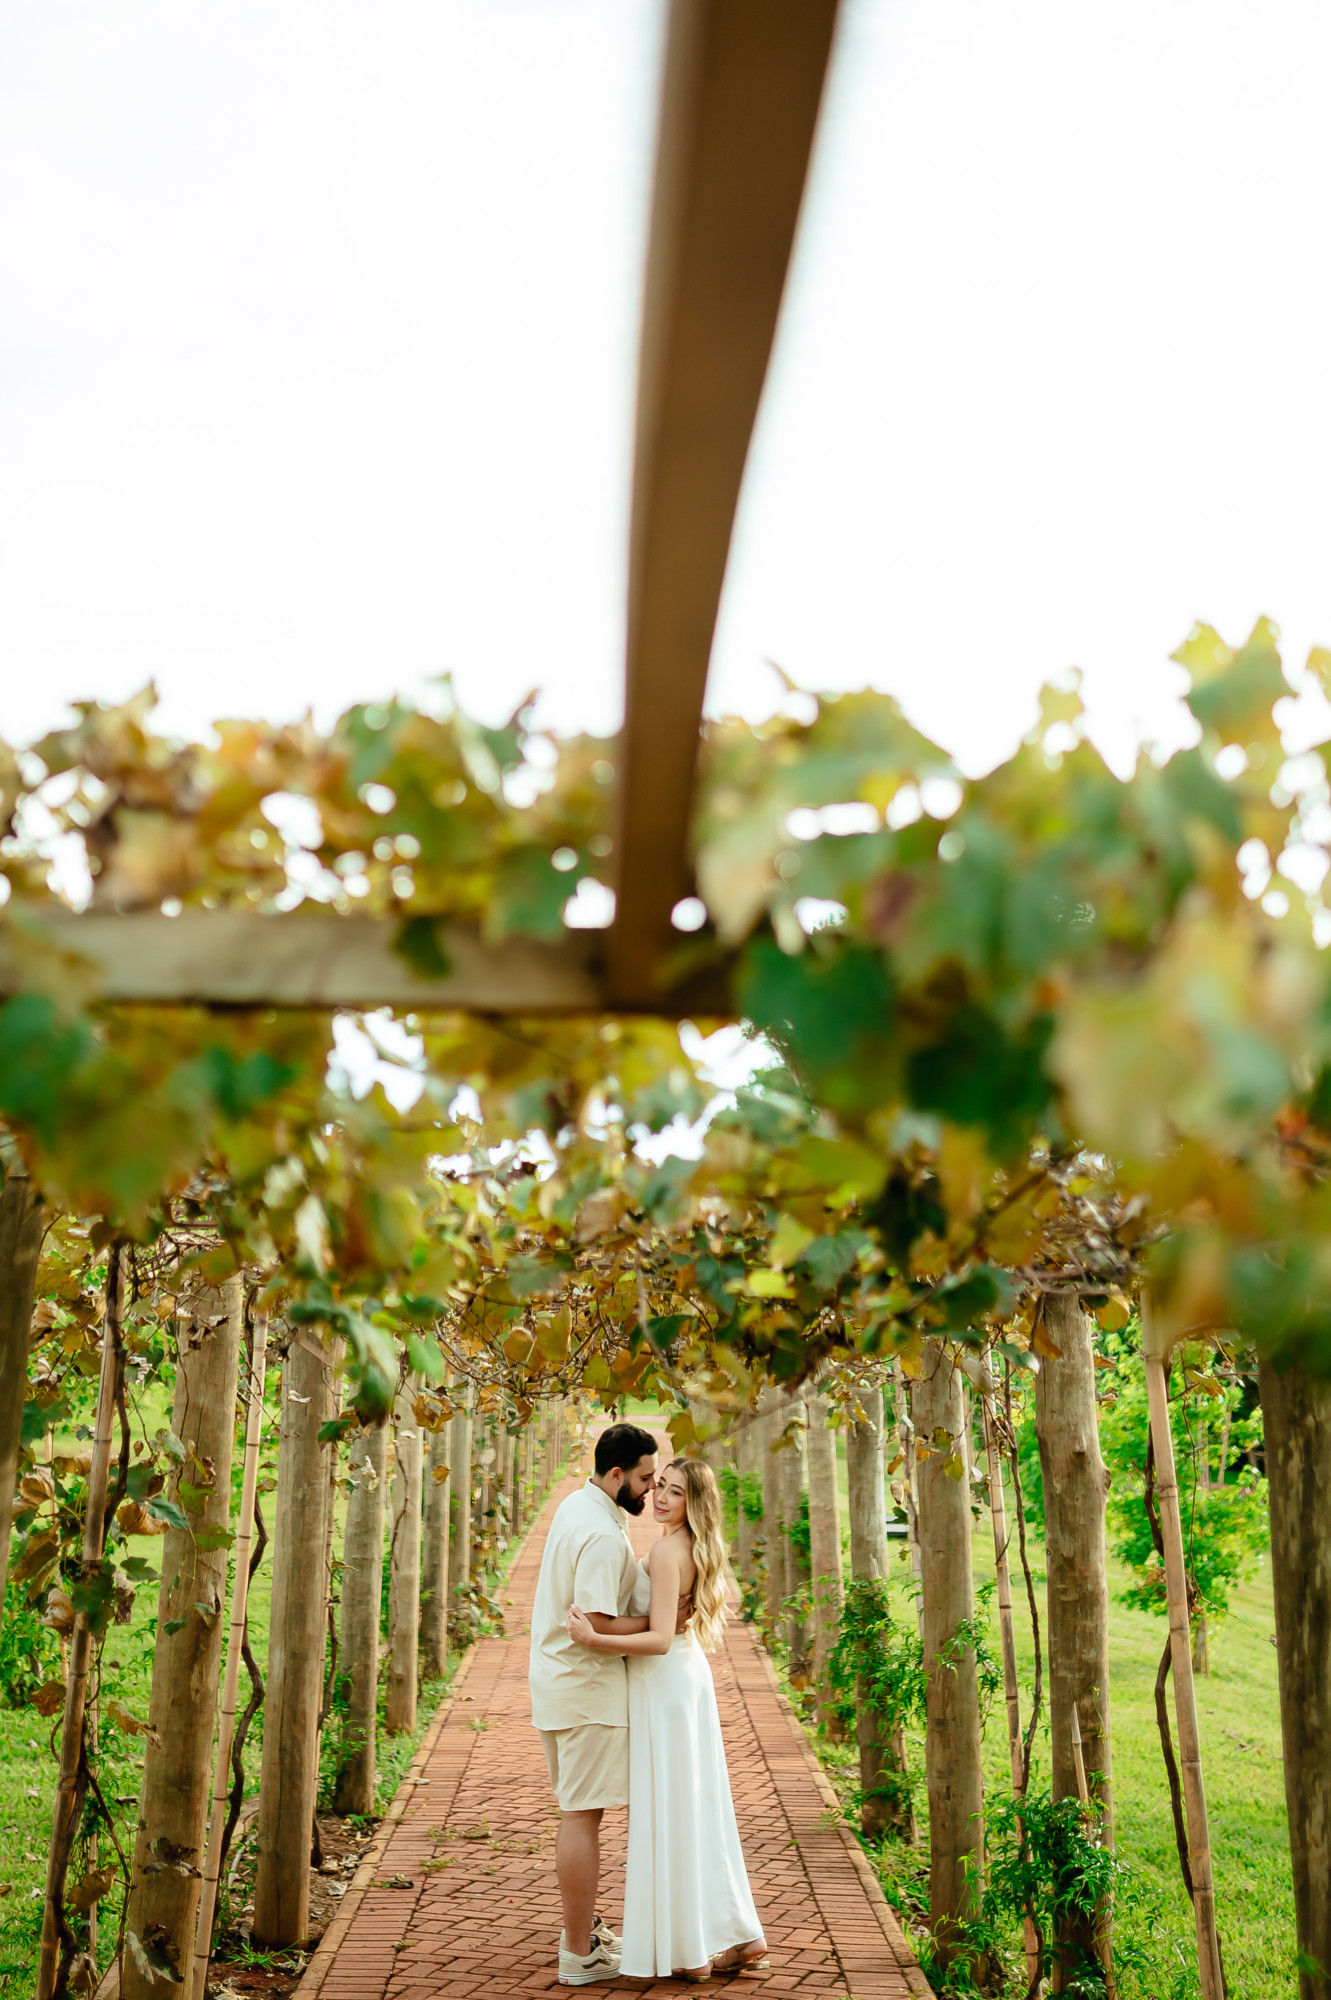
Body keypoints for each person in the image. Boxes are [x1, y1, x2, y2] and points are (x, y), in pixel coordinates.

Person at [568, 1456, 768, 1983]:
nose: (659, 1497)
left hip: (664, 1683)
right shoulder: (693, 1546)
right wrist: (611, 1629)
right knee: (697, 1808)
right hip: (685, 1679)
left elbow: (658, 1639)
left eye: (675, 1492)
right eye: (659, 1486)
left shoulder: (665, 1551)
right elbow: (662, 1626)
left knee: (673, 1811)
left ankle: (693, 1952)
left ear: (693, 1502)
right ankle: (738, 1935)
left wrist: (594, 1637)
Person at [528, 1420, 659, 1987]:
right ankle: (579, 1954)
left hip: (559, 1682)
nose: (651, 1488)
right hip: (585, 1690)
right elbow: (597, 1623)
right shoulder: (603, 1534)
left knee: (579, 1811)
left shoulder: (577, 1504)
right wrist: (662, 1622)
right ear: (617, 1474)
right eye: (646, 1478)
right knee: (582, 1815)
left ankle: (584, 1935)